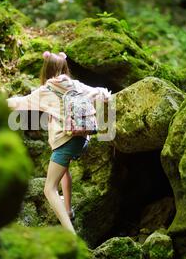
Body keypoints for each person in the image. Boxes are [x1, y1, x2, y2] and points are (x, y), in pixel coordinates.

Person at [7, 51, 111, 234]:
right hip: (83, 138)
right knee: (64, 170)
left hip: (66, 141)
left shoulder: (46, 91)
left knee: (49, 189)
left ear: (46, 69)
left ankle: (70, 234)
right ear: (64, 68)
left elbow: (20, 103)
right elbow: (101, 93)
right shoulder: (76, 85)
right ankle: (68, 209)